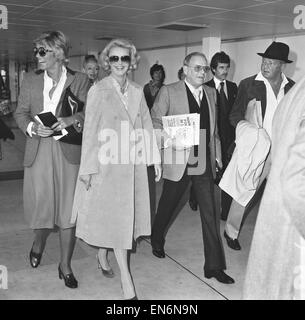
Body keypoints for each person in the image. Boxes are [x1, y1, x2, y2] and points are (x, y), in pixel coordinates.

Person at [71, 38, 162, 300]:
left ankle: (102, 253)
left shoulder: (136, 90)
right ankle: (126, 279)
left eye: (125, 58)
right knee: (115, 219)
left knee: (122, 220)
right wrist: (87, 170)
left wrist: (154, 159)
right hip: (106, 165)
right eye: (114, 59)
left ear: (131, 62)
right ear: (106, 62)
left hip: (131, 166)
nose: (120, 63)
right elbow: (89, 133)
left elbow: (145, 125)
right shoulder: (98, 90)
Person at [14, 30, 90, 288]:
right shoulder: (30, 80)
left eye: (42, 51)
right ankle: (38, 242)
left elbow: (87, 113)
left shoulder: (79, 80)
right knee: (42, 205)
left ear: (59, 53)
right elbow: (20, 113)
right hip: (39, 150)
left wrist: (71, 119)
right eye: (36, 51)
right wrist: (33, 128)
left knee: (68, 210)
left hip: (68, 151)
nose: (37, 56)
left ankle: (65, 264)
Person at [150, 52, 234, 284]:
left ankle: (214, 266)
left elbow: (214, 129)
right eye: (197, 68)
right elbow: (155, 120)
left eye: (205, 68)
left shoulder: (210, 92)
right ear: (185, 69)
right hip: (178, 155)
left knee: (210, 212)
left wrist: (216, 157)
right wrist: (169, 137)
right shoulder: (169, 91)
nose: (202, 72)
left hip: (202, 158)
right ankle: (157, 237)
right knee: (168, 203)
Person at [222, 41, 295, 251]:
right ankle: (230, 232)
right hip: (257, 149)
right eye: (264, 61)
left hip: (281, 150)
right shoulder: (248, 84)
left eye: (271, 63)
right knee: (245, 191)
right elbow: (234, 115)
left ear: (282, 65)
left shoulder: (292, 87)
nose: (265, 66)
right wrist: (248, 131)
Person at [243, 74, 305, 300]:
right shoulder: (249, 85)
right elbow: (296, 181)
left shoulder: (295, 88)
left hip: (279, 207)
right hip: (294, 229)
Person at [188, 52, 238, 217]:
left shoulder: (233, 87)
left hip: (229, 140)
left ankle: (225, 211)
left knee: (228, 176)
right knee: (203, 174)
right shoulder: (205, 87)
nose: (225, 71)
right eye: (222, 67)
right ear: (213, 69)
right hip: (207, 139)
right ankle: (194, 196)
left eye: (227, 67)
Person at [143, 63, 165, 223]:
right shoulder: (146, 87)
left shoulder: (164, 88)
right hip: (146, 118)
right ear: (152, 74)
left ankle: (156, 162)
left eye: (160, 73)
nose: (157, 75)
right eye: (155, 73)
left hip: (158, 120)